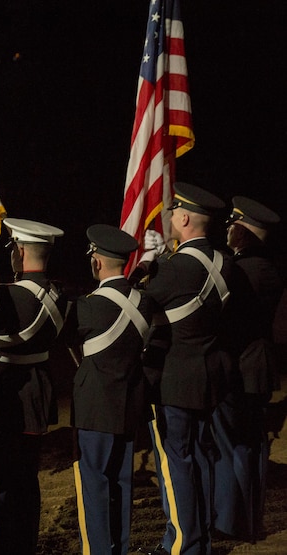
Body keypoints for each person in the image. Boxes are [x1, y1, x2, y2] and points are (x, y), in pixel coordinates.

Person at [136, 182, 235, 555]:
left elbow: (141, 307)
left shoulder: (178, 268)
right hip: (210, 374)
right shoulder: (225, 262)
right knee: (200, 457)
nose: (170, 215)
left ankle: (181, 542)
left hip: (175, 379)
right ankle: (201, 537)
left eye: (175, 211)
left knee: (176, 462)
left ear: (187, 218)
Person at [0, 218, 66, 554]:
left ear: (20, 251)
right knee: (26, 484)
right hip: (35, 398)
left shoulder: (3, 296)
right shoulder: (60, 295)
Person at [68, 224, 153, 555]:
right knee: (122, 483)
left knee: (95, 484)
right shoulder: (144, 302)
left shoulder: (89, 305)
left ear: (97, 261)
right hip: (128, 404)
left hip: (94, 407)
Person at [211, 196, 283, 541]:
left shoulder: (240, 271)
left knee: (232, 446)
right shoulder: (268, 268)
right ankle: (250, 521)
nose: (227, 229)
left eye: (232, 224)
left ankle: (230, 521)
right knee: (253, 448)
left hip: (239, 367)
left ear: (243, 231)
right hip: (261, 366)